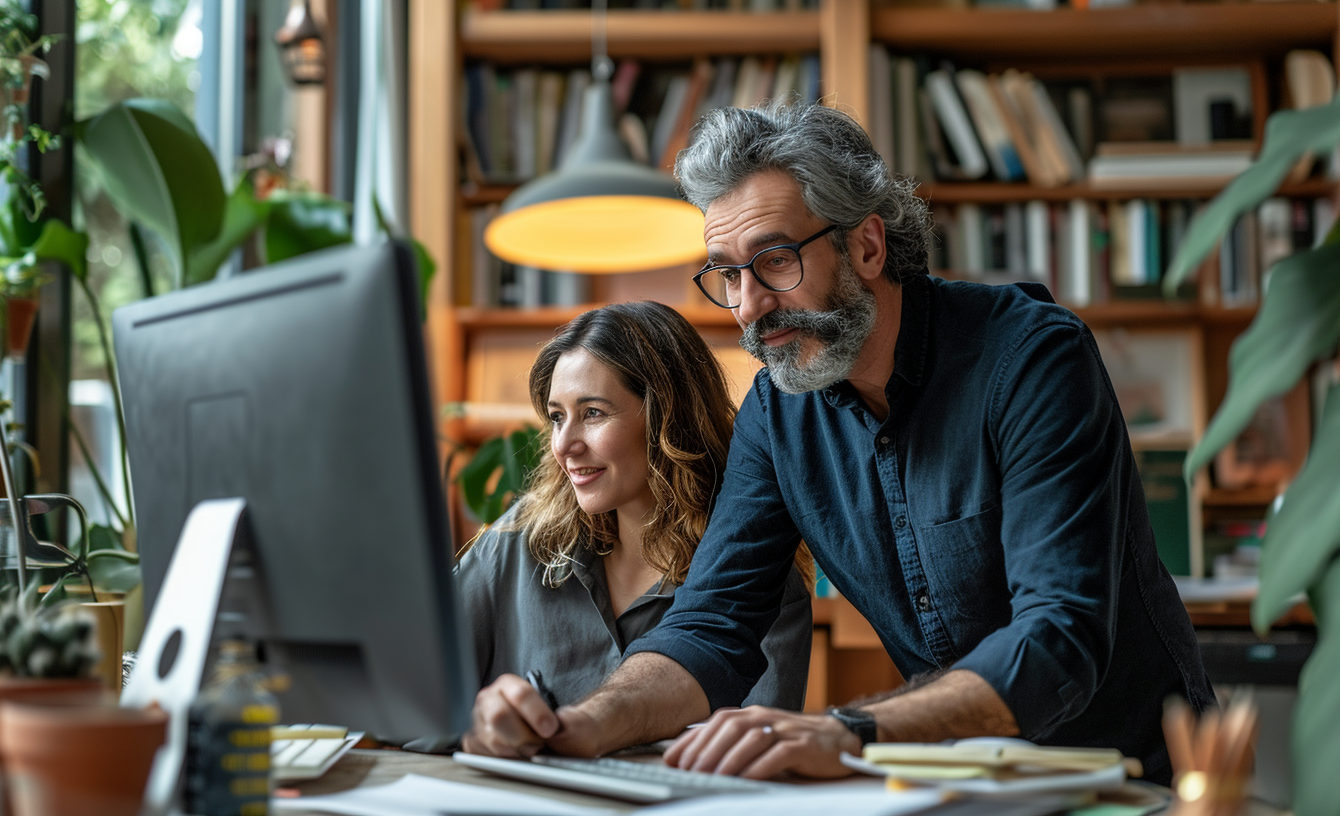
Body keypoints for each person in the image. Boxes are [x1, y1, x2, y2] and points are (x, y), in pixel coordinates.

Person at [461, 101, 1216, 785]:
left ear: (866, 247)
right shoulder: (778, 410)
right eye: (727, 275)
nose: (750, 306)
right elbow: (710, 623)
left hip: (1136, 775)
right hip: (962, 783)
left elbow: (1059, 639)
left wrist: (846, 732)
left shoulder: (1031, 361)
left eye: (775, 261)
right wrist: (579, 726)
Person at [457, 300, 814, 758]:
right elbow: (411, 705)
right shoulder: (514, 546)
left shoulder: (755, 578)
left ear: (668, 417)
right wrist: (473, 727)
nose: (564, 445)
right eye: (557, 416)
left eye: (593, 413)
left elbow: (760, 769)